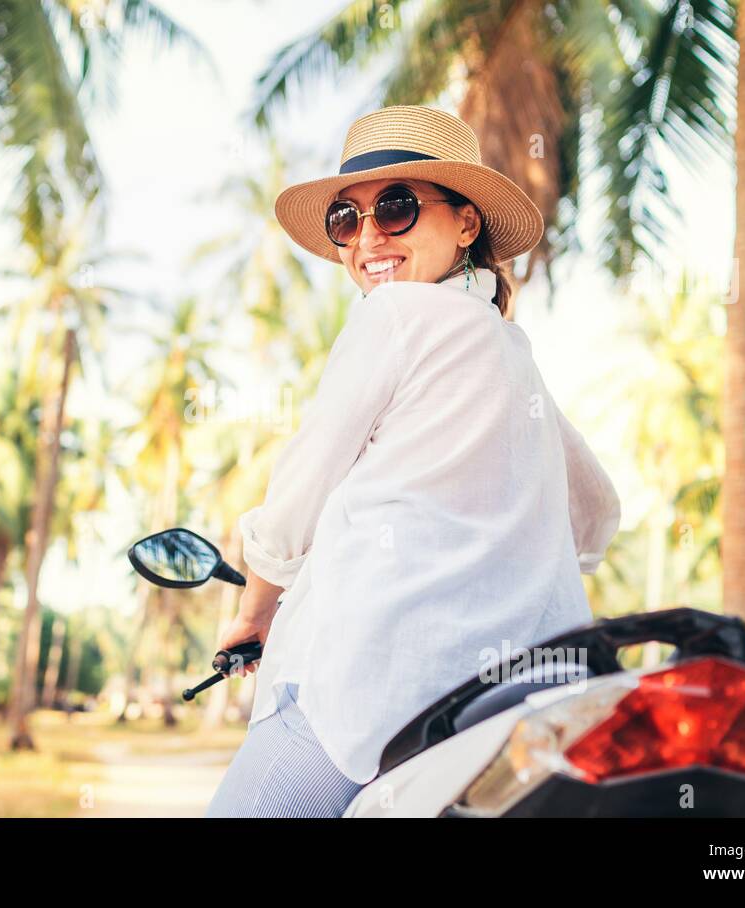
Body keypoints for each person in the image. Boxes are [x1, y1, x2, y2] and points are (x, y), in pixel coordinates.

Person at [203, 105, 621, 818]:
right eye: (346, 218)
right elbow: (598, 515)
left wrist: (251, 611)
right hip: (521, 699)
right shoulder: (510, 351)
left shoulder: (392, 315)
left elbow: (303, 485)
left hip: (376, 685)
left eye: (395, 208)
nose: (367, 238)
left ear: (467, 224)